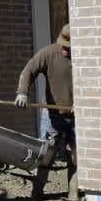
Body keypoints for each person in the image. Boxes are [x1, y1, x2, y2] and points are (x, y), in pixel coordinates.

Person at [16, 26, 74, 190]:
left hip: (77, 114)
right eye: (63, 45)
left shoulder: (84, 57)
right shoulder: (48, 53)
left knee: (75, 155)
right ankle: (37, 192)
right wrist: (22, 93)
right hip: (52, 114)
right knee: (46, 153)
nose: (65, 50)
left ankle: (73, 192)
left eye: (69, 47)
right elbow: (28, 71)